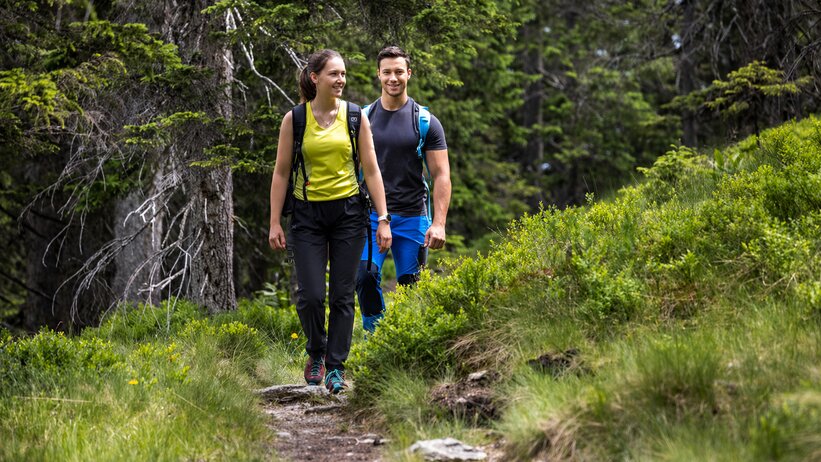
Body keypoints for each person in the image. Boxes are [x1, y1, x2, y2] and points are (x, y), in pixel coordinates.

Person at [268, 49, 392, 394]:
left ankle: (336, 367)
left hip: (349, 214)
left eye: (343, 75)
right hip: (307, 216)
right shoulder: (295, 119)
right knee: (309, 296)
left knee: (341, 295)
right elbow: (280, 173)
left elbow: (371, 169)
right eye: (334, 74)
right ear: (315, 78)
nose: (341, 80)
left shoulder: (355, 117)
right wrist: (275, 222)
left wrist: (383, 219)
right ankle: (316, 352)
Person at [356, 46, 451, 333]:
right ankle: (378, 340)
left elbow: (441, 175)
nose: (393, 78)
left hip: (412, 218)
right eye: (387, 72)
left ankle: (408, 348)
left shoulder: (425, 121)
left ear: (408, 74)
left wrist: (439, 224)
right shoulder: (362, 118)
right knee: (364, 277)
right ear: (379, 75)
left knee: (411, 288)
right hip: (370, 218)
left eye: (399, 71)